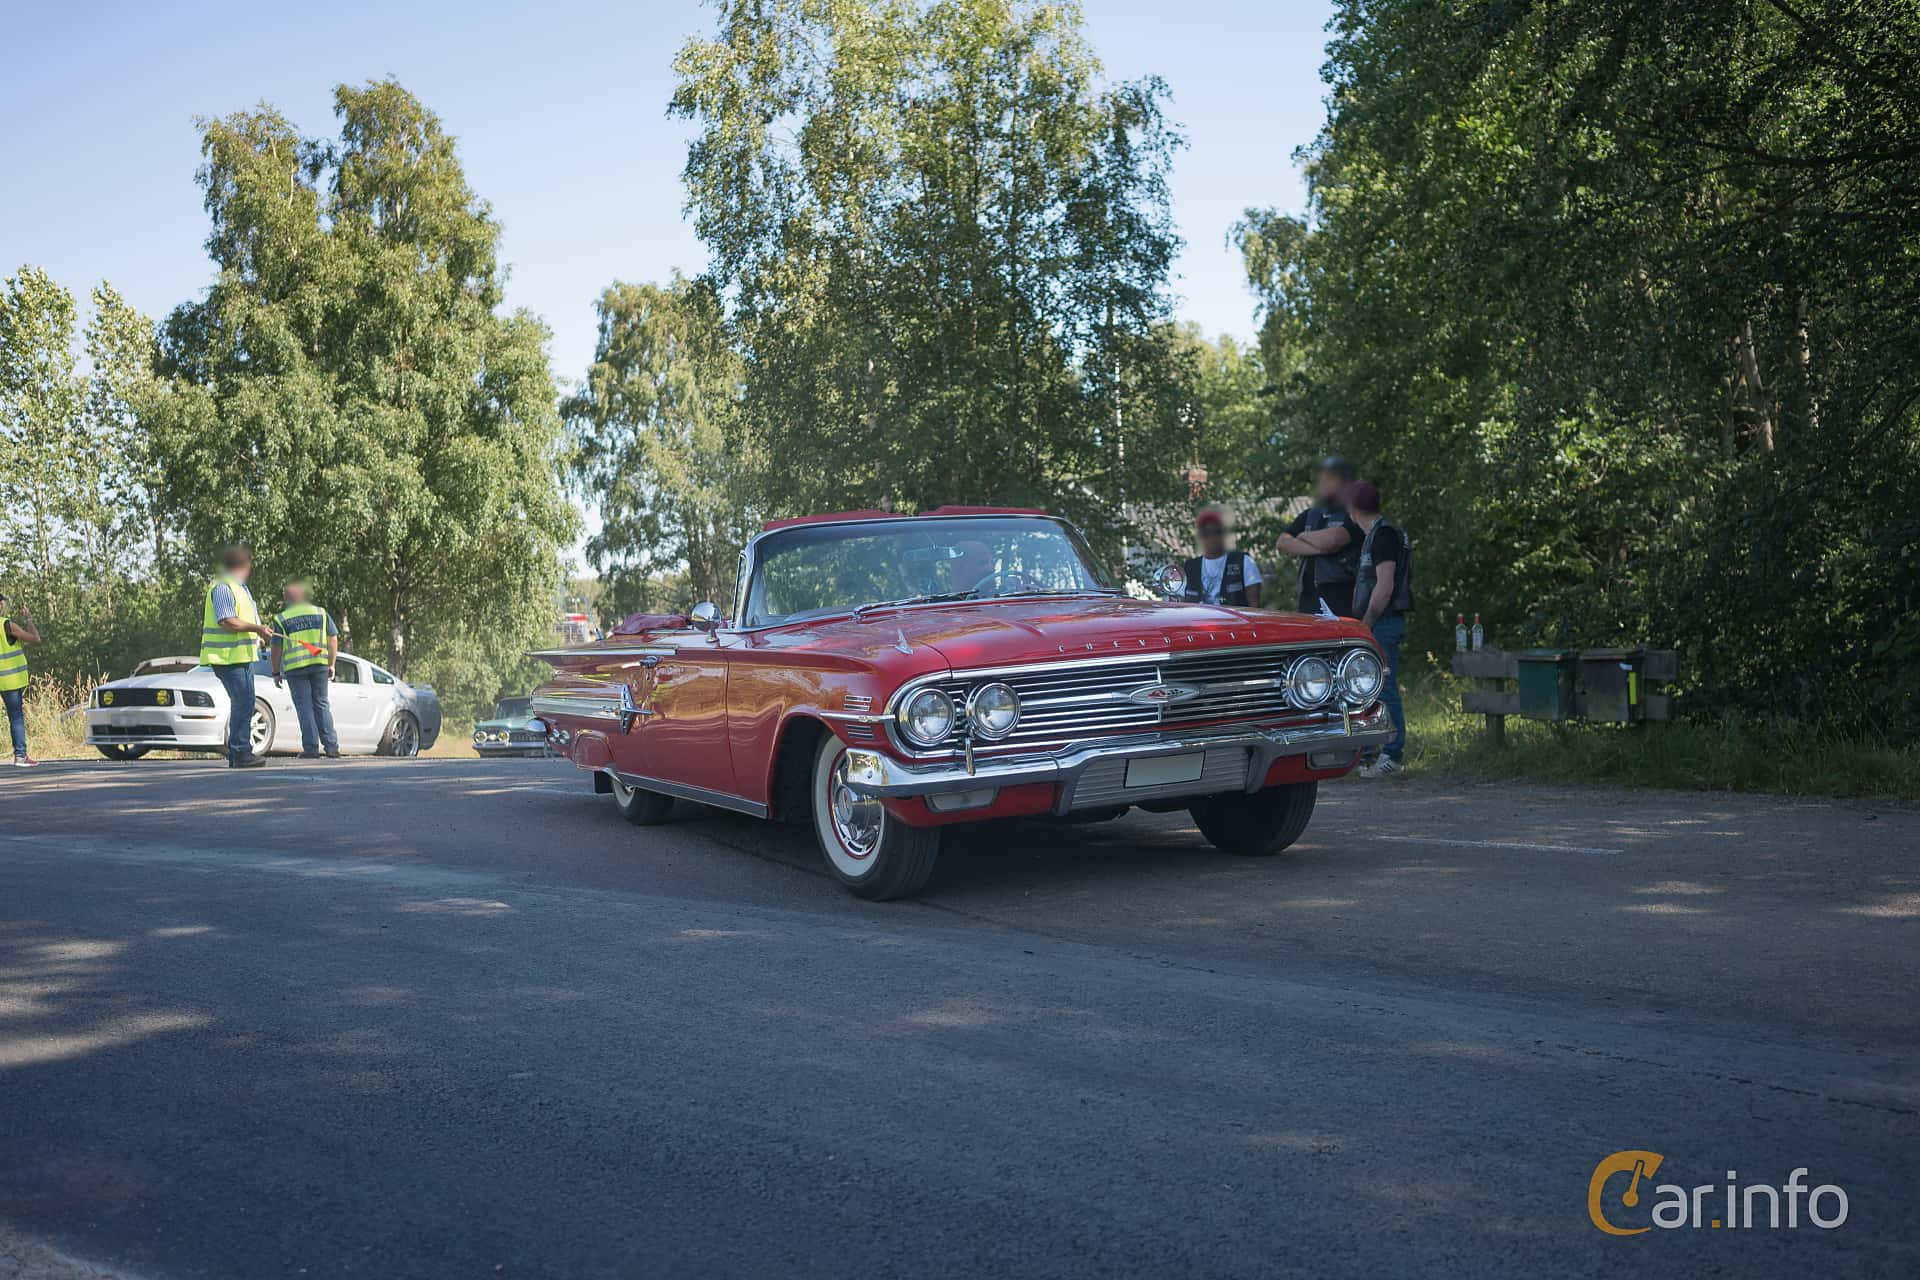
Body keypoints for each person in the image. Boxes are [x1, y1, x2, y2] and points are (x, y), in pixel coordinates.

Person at [1345, 481, 1412, 777]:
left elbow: (1385, 586)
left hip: (1382, 623)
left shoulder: (1383, 535)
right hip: (1379, 622)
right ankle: (1373, 752)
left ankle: (1392, 755)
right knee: (1370, 688)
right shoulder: (1377, 535)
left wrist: (1366, 624)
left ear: (1354, 508)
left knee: (1384, 686)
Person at [201, 545, 277, 768]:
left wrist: (257, 637)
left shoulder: (238, 587)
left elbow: (240, 620)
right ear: (241, 566)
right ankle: (240, 751)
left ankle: (239, 753)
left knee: (244, 701)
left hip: (239, 656)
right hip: (227, 657)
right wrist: (257, 628)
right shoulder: (224, 587)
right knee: (243, 702)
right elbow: (227, 620)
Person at [1276, 457, 1362, 617]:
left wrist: (1303, 537)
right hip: (1308, 599)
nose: (1322, 483)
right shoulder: (1310, 514)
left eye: (1329, 479)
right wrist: (1321, 548)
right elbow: (1282, 542)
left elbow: (1334, 540)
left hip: (1341, 598)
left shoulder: (1355, 513)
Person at [270, 580, 341, 759]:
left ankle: (311, 749)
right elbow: (333, 637)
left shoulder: (282, 618)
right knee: (322, 704)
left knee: (304, 708)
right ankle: (331, 747)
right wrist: (331, 663)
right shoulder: (320, 613)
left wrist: (275, 672)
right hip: (319, 665)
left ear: (287, 598)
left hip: (296, 669)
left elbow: (276, 648)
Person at [1181, 509, 1263, 607]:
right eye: (1206, 533)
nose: (1211, 537)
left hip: (1233, 621)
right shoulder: (1190, 567)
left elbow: (1254, 605)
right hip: (1198, 621)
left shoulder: (1243, 561)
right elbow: (1182, 605)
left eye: (1216, 532)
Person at [0, 593, 42, 767]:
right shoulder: (6, 624)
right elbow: (36, 640)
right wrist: (29, 619)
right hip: (10, 680)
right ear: (0, 605)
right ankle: (20, 756)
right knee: (16, 717)